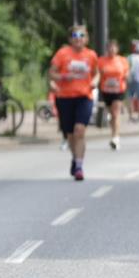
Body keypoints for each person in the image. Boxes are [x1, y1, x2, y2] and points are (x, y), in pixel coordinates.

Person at [49, 25, 99, 181]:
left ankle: (79, 166)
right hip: (64, 97)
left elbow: (97, 74)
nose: (78, 38)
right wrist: (63, 77)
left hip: (84, 97)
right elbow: (51, 73)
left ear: (87, 38)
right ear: (70, 39)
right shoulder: (62, 53)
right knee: (70, 134)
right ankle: (75, 157)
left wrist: (94, 82)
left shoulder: (91, 55)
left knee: (80, 130)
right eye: (75, 35)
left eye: (82, 35)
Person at [97, 40, 129, 149]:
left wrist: (124, 78)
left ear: (117, 49)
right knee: (111, 115)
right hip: (106, 90)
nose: (111, 50)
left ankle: (116, 137)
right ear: (107, 49)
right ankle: (113, 133)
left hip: (118, 90)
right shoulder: (101, 61)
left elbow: (126, 74)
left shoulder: (122, 60)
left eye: (113, 48)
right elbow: (98, 74)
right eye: (109, 48)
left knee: (115, 114)